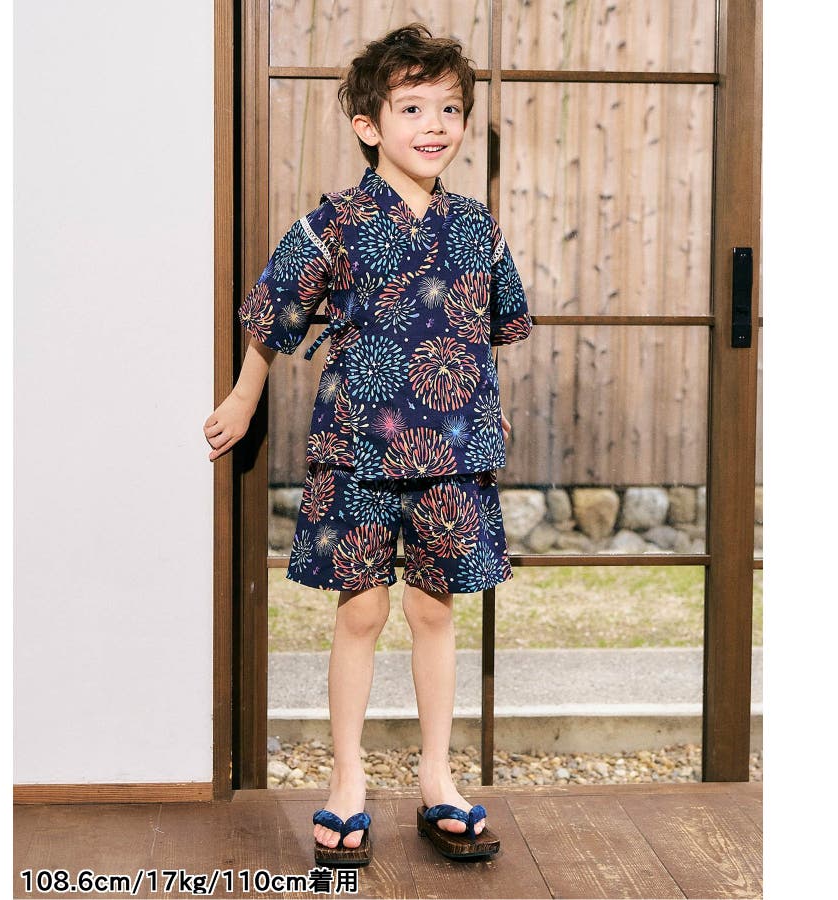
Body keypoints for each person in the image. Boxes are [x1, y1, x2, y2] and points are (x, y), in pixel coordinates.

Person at [203, 22, 533, 866]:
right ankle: (346, 777)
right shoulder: (333, 224)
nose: (435, 124)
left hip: (454, 448)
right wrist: (243, 398)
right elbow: (274, 313)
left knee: (434, 609)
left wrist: (490, 411)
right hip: (360, 446)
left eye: (449, 109)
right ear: (369, 125)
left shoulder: (478, 227)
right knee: (362, 611)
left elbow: (489, 329)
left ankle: (436, 777)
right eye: (412, 107)